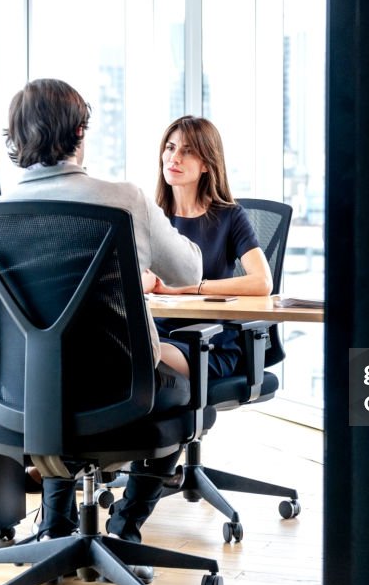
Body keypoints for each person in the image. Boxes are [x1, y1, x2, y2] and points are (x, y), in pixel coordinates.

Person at [0, 80, 202, 575]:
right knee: (189, 379)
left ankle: (55, 526)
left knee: (58, 394)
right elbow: (189, 272)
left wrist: (19, 360)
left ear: (16, 137)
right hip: (125, 395)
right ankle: (126, 524)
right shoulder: (126, 200)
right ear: (81, 131)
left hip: (17, 400)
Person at [104, 115, 273, 544]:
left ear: (207, 164)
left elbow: (261, 282)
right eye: (169, 147)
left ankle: (117, 504)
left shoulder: (229, 218)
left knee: (141, 357)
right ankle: (106, 489)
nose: (173, 157)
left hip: (210, 342)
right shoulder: (152, 217)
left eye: (186, 150)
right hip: (156, 332)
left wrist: (191, 288)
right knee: (133, 366)